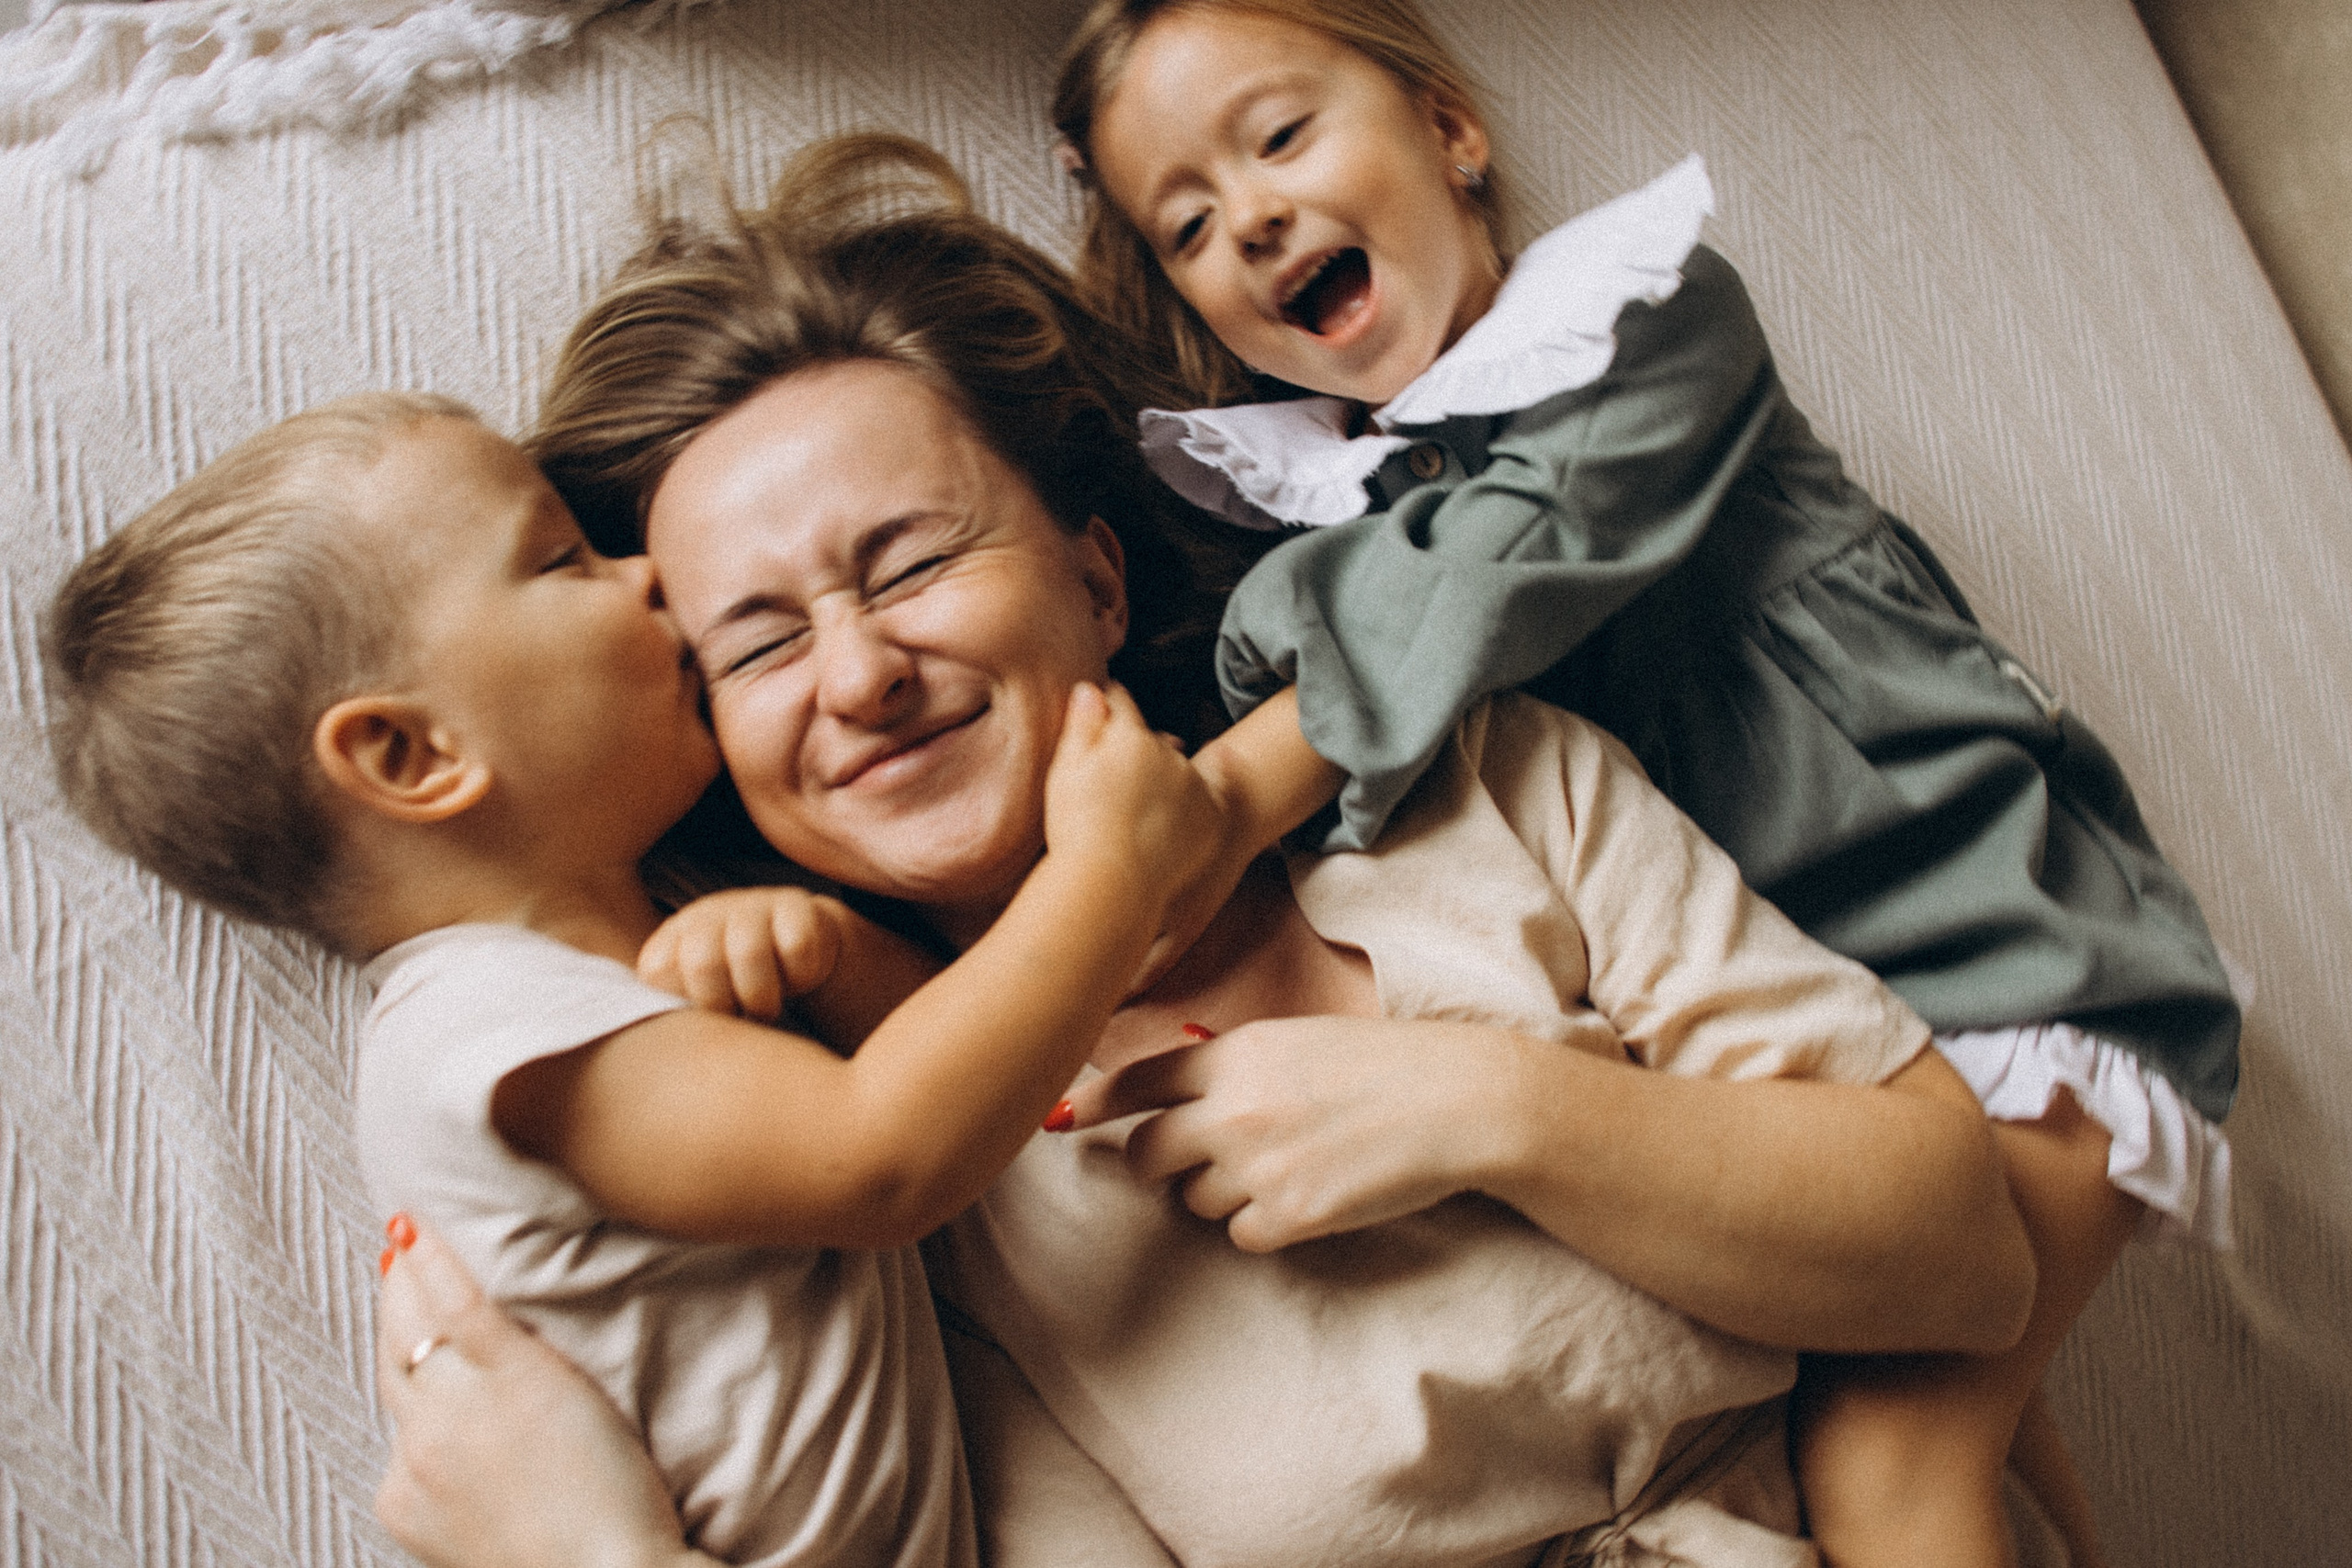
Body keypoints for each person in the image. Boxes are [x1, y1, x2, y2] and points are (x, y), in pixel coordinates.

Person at [374, 135, 2034, 1567]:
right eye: (758, 647)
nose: (862, 673)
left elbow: (1965, 1255)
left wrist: (1487, 1108)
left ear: (1095, 583)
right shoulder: (897, 1189)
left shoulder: (1486, 788)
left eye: (908, 562)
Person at [1046, 2, 2243, 1562]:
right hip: (1814, 1065)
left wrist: (1218, 801)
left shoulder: (1636, 320)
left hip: (2000, 957)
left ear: (1449, 130)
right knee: (1971, 1449)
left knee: (1885, 1471)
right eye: (1189, 222)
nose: (1254, 214)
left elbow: (1505, 565)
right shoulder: (1344, 506)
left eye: (1281, 137)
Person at [40, 389, 1235, 1568]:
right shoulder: (477, 1032)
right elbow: (888, 1157)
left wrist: (826, 952)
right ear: (413, 755)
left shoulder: (607, 974)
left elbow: (979, 1087)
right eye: (564, 559)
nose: (649, 577)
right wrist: (1107, 869)